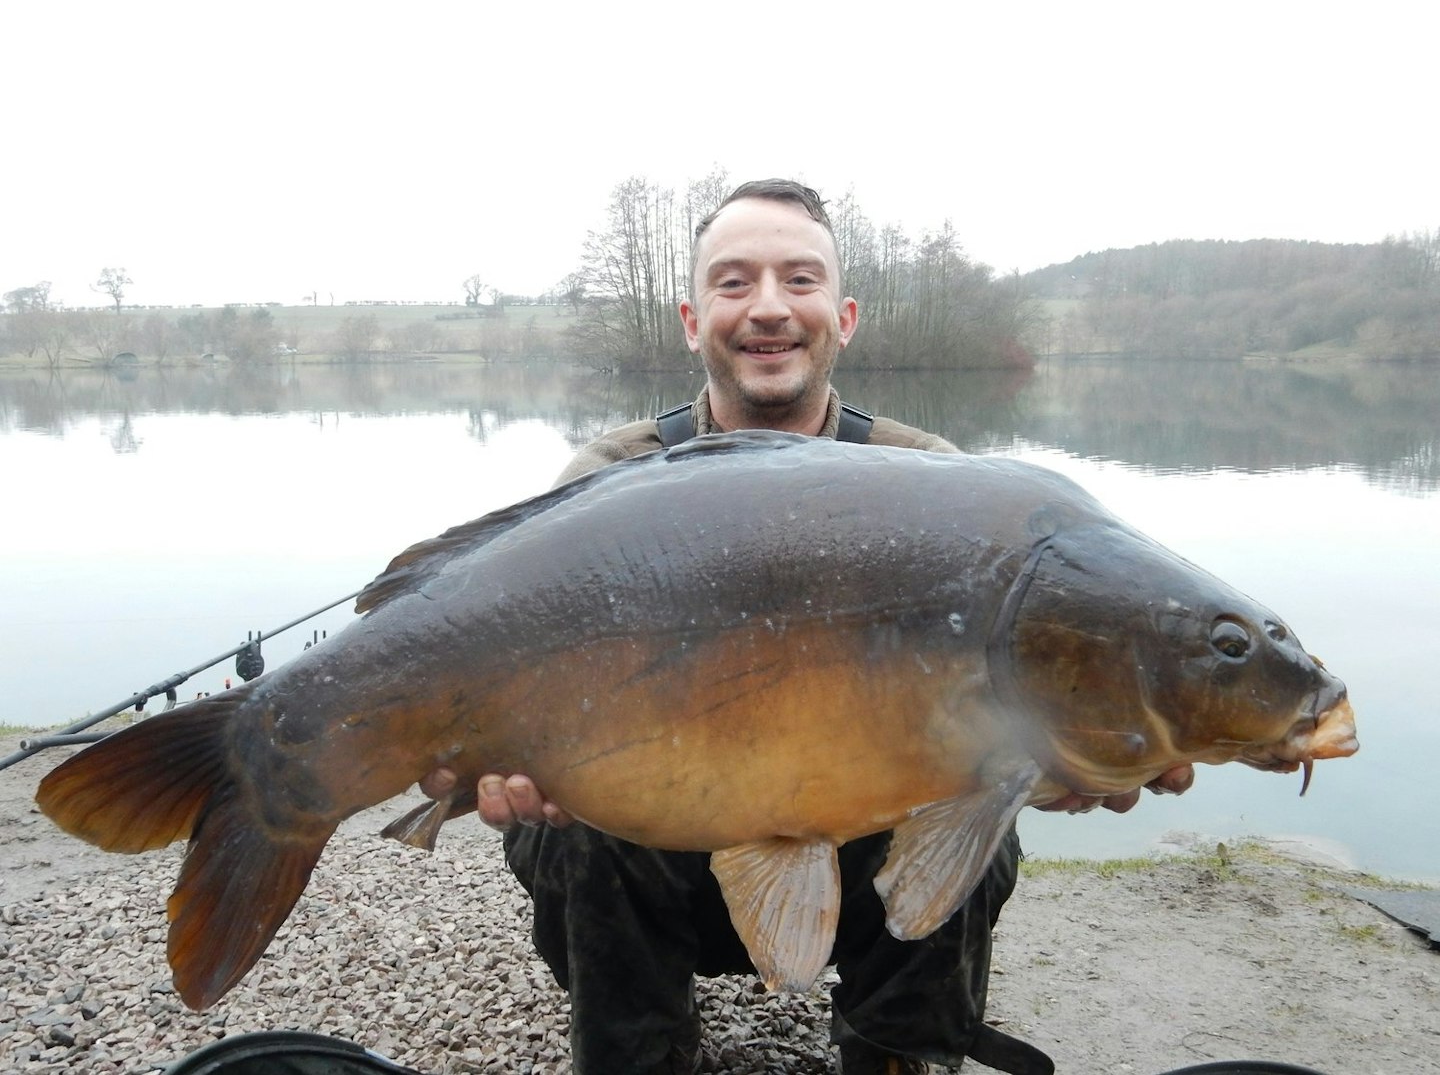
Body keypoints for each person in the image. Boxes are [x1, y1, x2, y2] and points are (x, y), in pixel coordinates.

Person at [421, 179, 1195, 1075]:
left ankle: (898, 1051)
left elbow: (997, 710)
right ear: (691, 316)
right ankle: (640, 1052)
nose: (769, 310)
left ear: (845, 313)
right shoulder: (611, 475)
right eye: (734, 282)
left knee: (982, 826)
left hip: (859, 847)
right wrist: (509, 764)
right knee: (570, 827)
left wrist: (1063, 754)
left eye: (799, 280)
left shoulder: (935, 482)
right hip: (660, 842)